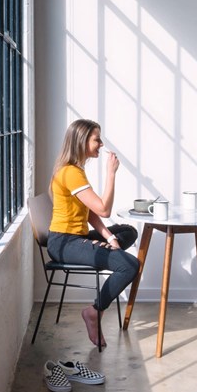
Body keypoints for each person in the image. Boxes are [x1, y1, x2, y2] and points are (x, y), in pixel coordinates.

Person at [48, 118, 140, 349]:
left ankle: (103, 249)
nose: (101, 143)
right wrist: (111, 174)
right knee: (130, 266)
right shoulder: (70, 173)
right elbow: (103, 209)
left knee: (127, 231)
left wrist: (109, 238)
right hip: (64, 242)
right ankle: (94, 312)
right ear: (81, 141)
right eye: (96, 139)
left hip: (78, 237)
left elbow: (89, 213)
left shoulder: (75, 170)